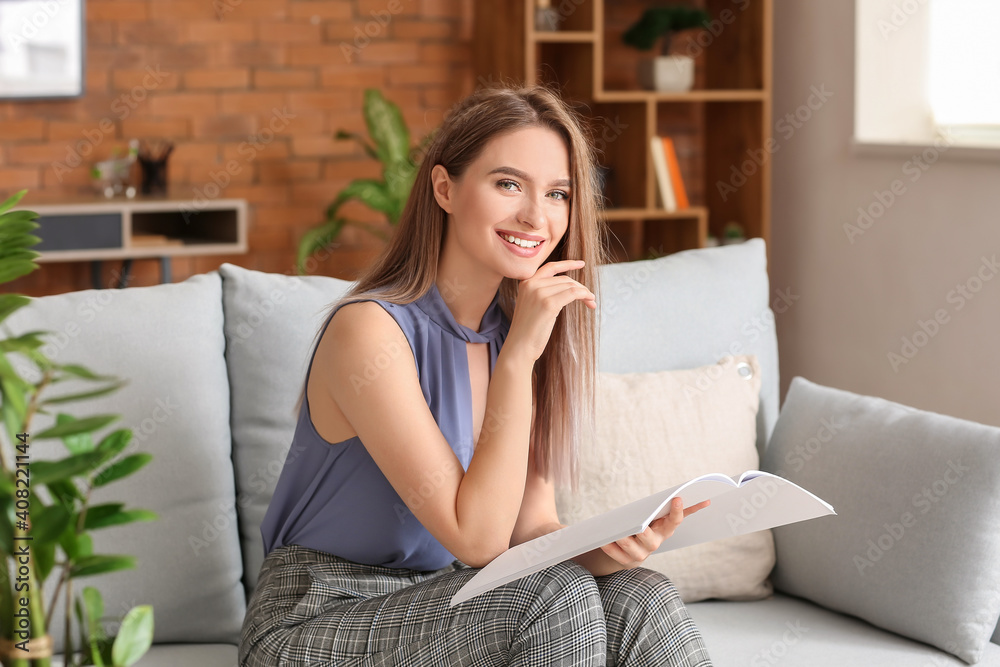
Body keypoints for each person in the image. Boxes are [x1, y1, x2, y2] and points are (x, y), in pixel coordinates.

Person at [239, 83, 714, 666]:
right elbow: (478, 540)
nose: (536, 217)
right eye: (508, 183)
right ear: (445, 188)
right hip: (317, 617)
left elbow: (527, 528)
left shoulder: (515, 330)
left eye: (558, 193)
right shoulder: (369, 333)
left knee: (643, 596)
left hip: (449, 603)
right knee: (551, 596)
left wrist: (604, 550)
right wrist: (518, 358)